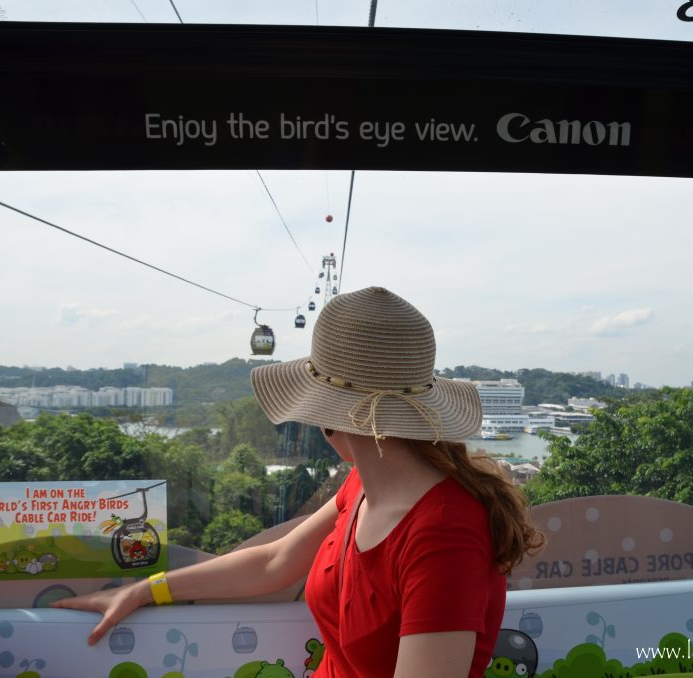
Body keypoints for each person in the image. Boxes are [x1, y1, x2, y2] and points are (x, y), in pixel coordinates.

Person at [53, 286, 544, 677]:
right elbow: (274, 562)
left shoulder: (445, 532)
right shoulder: (364, 489)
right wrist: (144, 590)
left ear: (330, 420)